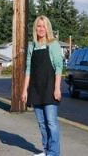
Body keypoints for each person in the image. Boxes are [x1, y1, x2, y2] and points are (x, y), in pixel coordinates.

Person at [21, 15, 63, 156]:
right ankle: (46, 151)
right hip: (35, 89)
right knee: (42, 124)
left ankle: (54, 153)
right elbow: (28, 69)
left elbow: (58, 67)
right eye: (38, 26)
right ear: (35, 28)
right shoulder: (31, 46)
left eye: (43, 26)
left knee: (51, 122)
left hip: (50, 89)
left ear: (48, 28)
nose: (41, 29)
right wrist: (24, 90)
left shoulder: (53, 44)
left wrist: (57, 88)